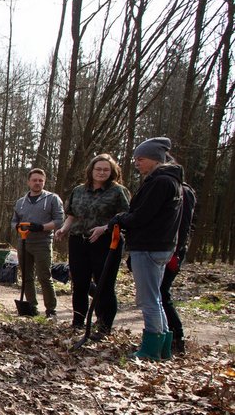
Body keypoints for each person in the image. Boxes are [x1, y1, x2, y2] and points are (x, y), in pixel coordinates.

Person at [89, 137, 183, 360]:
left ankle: (151, 350)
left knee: (148, 299)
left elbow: (142, 216)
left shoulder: (161, 182)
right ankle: (163, 346)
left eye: (140, 159)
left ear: (154, 159)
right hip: (158, 246)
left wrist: (120, 218)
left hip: (150, 247)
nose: (137, 163)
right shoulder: (169, 181)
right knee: (155, 298)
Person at [54, 154, 130, 339]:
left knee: (104, 284)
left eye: (106, 169)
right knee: (79, 283)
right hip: (79, 240)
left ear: (112, 172)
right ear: (91, 170)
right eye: (98, 169)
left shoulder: (118, 191)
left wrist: (105, 228)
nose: (102, 172)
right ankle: (78, 322)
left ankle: (104, 326)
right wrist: (63, 229)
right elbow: (72, 215)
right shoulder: (79, 190)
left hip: (106, 243)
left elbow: (126, 217)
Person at [11, 169, 64, 318]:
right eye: (34, 180)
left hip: (43, 242)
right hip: (24, 241)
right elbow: (14, 220)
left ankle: (50, 309)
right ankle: (31, 307)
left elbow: (59, 221)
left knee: (44, 276)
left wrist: (41, 227)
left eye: (40, 180)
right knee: (27, 276)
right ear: (29, 182)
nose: (37, 183)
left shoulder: (52, 199)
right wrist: (17, 227)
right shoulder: (21, 202)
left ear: (44, 182)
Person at [161, 179, 196, 354]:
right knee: (157, 293)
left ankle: (176, 337)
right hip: (156, 249)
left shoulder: (182, 191)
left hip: (170, 251)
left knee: (161, 292)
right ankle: (165, 336)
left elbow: (183, 225)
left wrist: (175, 252)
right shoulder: (157, 186)